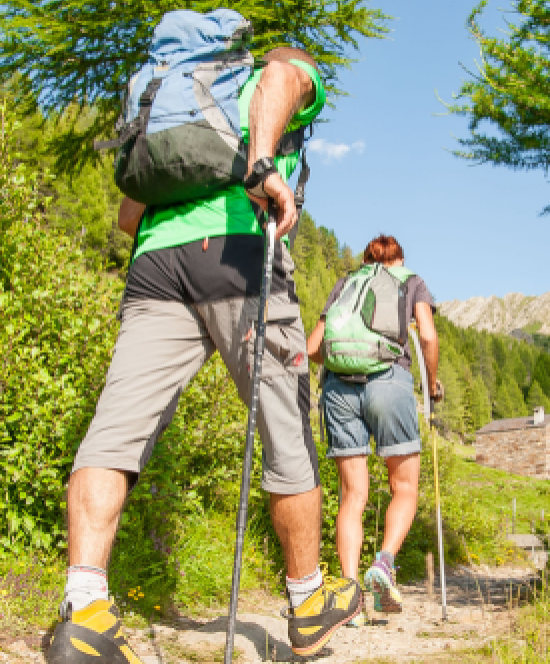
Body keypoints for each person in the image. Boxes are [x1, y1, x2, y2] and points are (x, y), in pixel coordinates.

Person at [47, 46, 361, 662]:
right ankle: (307, 602)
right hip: (242, 256)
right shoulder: (269, 80)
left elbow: (127, 213)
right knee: (286, 432)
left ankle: (83, 609)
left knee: (114, 431)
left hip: (156, 266)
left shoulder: (172, 109)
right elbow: (284, 75)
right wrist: (262, 164)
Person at [306, 235, 442, 621]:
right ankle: (383, 565)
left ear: (367, 260)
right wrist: (431, 386)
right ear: (400, 259)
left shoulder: (345, 284)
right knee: (405, 487)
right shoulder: (411, 280)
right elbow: (428, 336)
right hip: (388, 381)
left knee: (353, 495)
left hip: (337, 388)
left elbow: (315, 347)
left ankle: (349, 594)